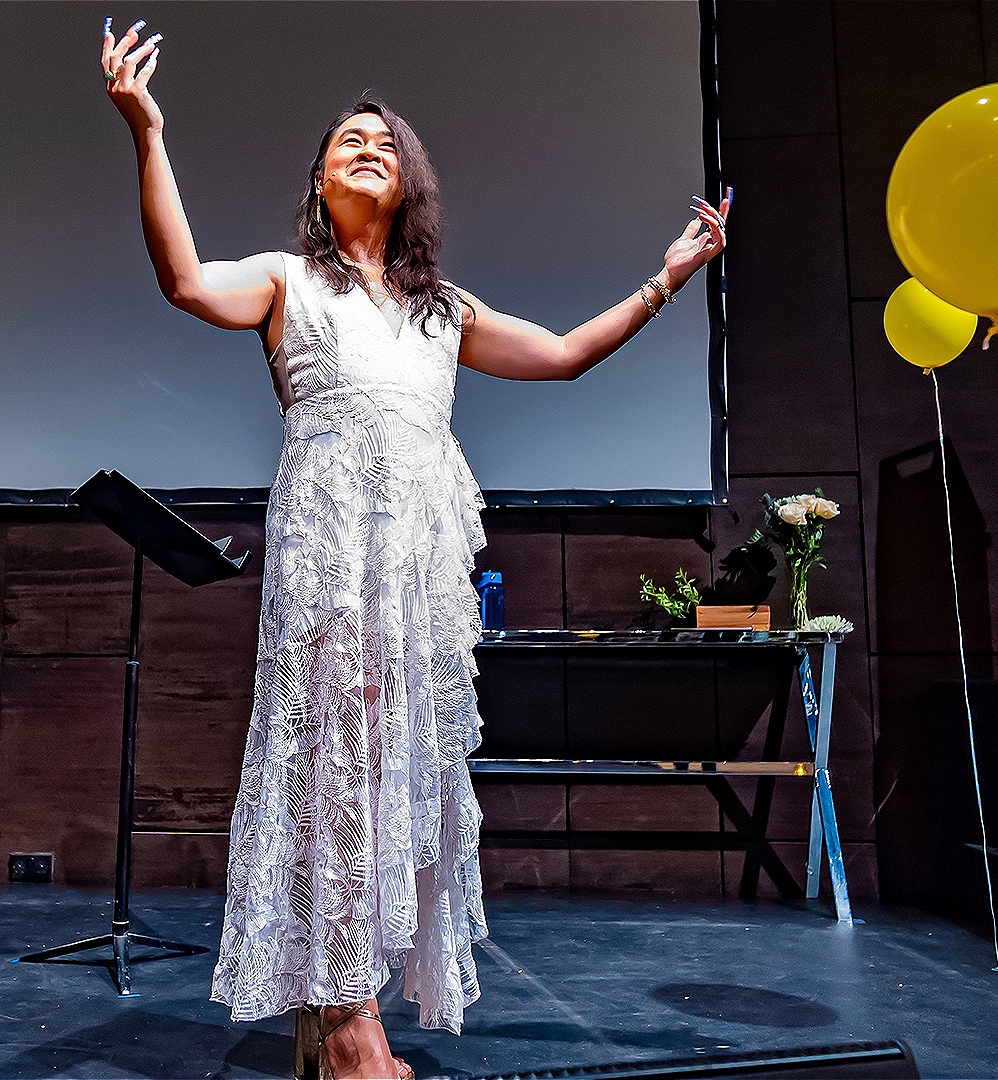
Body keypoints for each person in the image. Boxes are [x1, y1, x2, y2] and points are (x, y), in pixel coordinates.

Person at [99, 18, 730, 1079]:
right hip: (332, 544)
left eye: (385, 142)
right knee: (333, 762)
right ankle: (347, 1023)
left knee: (395, 768)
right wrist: (145, 128)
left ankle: (340, 1005)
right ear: (317, 177)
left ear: (410, 184)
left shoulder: (445, 310)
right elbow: (184, 282)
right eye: (347, 140)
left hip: (417, 560)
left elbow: (568, 355)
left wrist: (667, 276)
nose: (367, 147)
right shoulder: (283, 281)